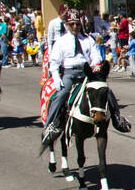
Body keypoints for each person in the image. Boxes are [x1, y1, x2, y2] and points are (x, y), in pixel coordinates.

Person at [40, 12, 104, 149]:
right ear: (67, 25)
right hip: (69, 73)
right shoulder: (61, 41)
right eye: (72, 24)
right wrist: (56, 78)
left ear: (81, 25)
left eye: (77, 24)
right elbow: (55, 62)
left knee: (103, 91)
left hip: (86, 72)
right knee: (61, 95)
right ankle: (50, 126)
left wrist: (95, 64)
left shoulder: (88, 40)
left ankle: (117, 118)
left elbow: (96, 55)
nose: (75, 26)